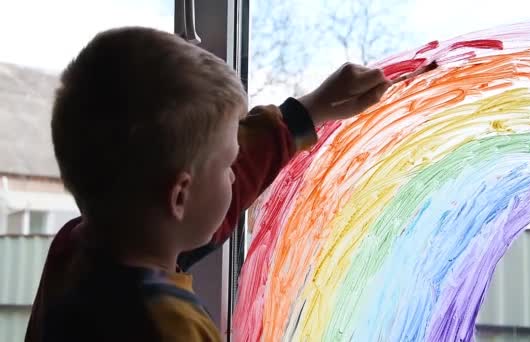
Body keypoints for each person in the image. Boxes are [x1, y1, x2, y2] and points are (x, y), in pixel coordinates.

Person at [25, 27, 391, 341]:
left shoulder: (79, 249)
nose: (236, 172)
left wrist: (309, 111)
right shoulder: (170, 328)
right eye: (229, 163)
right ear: (179, 195)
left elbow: (210, 194)